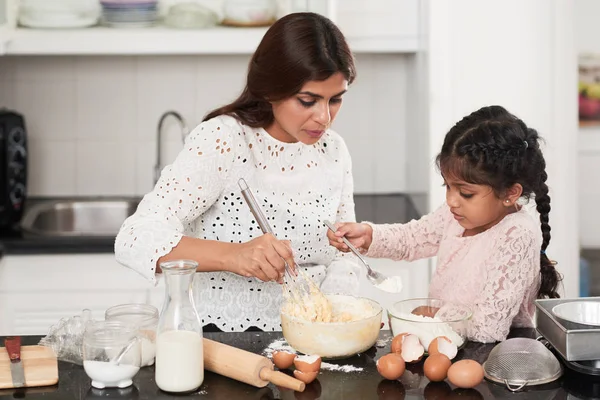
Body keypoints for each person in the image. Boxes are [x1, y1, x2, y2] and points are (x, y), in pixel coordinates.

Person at [115, 12, 362, 333]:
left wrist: (334, 308)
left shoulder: (334, 150)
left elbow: (345, 253)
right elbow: (133, 239)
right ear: (272, 89)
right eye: (308, 100)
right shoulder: (224, 140)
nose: (324, 118)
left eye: (335, 100)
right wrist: (235, 255)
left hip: (312, 339)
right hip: (224, 344)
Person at [327, 105, 563, 343]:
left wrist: (433, 314)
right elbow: (413, 239)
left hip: (494, 358)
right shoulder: (458, 215)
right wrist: (369, 235)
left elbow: (487, 328)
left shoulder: (517, 234)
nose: (451, 200)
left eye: (466, 193)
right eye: (447, 187)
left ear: (510, 193)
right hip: (449, 342)